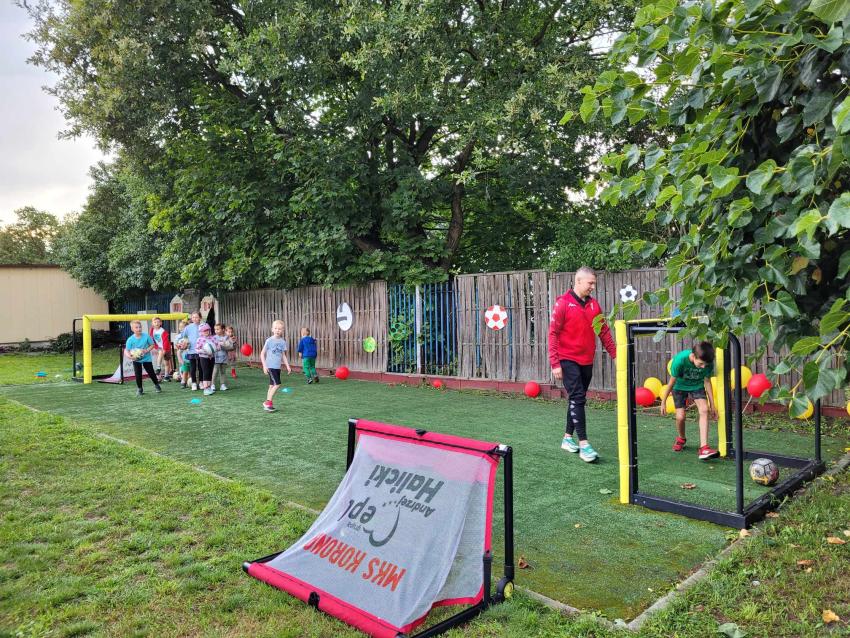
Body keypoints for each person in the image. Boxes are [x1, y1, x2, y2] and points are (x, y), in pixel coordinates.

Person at [548, 266, 616, 463]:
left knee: (577, 399)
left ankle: (567, 439)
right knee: (578, 397)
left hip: (586, 360)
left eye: (594, 283)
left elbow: (603, 332)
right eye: (590, 283)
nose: (593, 287)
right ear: (578, 281)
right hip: (567, 359)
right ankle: (584, 445)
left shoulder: (594, 306)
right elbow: (553, 333)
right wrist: (555, 363)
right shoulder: (563, 303)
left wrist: (615, 355)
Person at [659, 342, 720, 460]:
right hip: (679, 387)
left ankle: (704, 448)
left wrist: (712, 405)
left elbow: (707, 382)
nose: (704, 367)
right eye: (701, 364)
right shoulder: (680, 360)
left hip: (697, 385)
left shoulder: (707, 363)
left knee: (704, 410)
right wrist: (663, 402)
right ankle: (681, 438)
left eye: (705, 364)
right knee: (680, 417)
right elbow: (671, 383)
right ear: (693, 356)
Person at [260, 319, 292, 412]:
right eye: (276, 328)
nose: (277, 330)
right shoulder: (269, 341)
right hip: (270, 366)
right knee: (277, 384)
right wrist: (264, 366)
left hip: (277, 367)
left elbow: (283, 355)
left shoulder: (282, 342)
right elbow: (262, 353)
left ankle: (267, 403)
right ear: (272, 329)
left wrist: (288, 366)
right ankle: (268, 402)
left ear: (283, 330)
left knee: (271, 385)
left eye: (280, 329)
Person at [125, 320, 162, 396]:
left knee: (151, 372)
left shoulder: (146, 336)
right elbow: (127, 350)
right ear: (132, 329)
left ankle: (156, 385)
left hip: (146, 358)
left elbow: (152, 345)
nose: (139, 329)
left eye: (140, 327)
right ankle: (140, 388)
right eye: (136, 327)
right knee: (138, 374)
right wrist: (130, 356)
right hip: (136, 360)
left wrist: (146, 350)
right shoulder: (130, 339)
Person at [195, 323, 218, 396]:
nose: (206, 332)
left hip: (212, 358)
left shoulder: (213, 338)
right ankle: (205, 388)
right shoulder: (200, 339)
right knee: (206, 372)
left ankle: (209, 387)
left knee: (210, 372)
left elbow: (218, 346)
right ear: (201, 332)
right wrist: (204, 351)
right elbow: (197, 349)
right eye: (204, 331)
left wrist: (215, 348)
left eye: (207, 330)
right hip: (203, 358)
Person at [183, 311, 202, 390]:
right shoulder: (188, 327)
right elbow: (184, 337)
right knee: (192, 368)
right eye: (193, 317)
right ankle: (194, 383)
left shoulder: (203, 326)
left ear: (200, 318)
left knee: (201, 367)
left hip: (201, 350)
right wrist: (185, 343)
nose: (194, 319)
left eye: (196, 317)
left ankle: (201, 382)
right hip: (191, 350)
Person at [149, 316, 172, 382]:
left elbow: (166, 342)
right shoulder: (152, 330)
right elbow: (151, 339)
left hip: (166, 348)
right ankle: (158, 371)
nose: (157, 323)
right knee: (159, 358)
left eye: (158, 322)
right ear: (152, 323)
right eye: (155, 322)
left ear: (161, 323)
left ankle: (166, 376)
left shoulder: (163, 331)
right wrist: (155, 346)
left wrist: (164, 350)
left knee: (166, 363)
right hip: (159, 348)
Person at [211, 323, 229, 391]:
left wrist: (223, 345)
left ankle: (222, 385)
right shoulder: (214, 338)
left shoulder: (226, 337)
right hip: (216, 357)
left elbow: (229, 346)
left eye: (218, 329)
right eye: (215, 329)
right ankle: (212, 384)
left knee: (223, 372)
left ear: (223, 329)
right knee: (215, 371)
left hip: (224, 357)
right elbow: (211, 346)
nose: (216, 331)